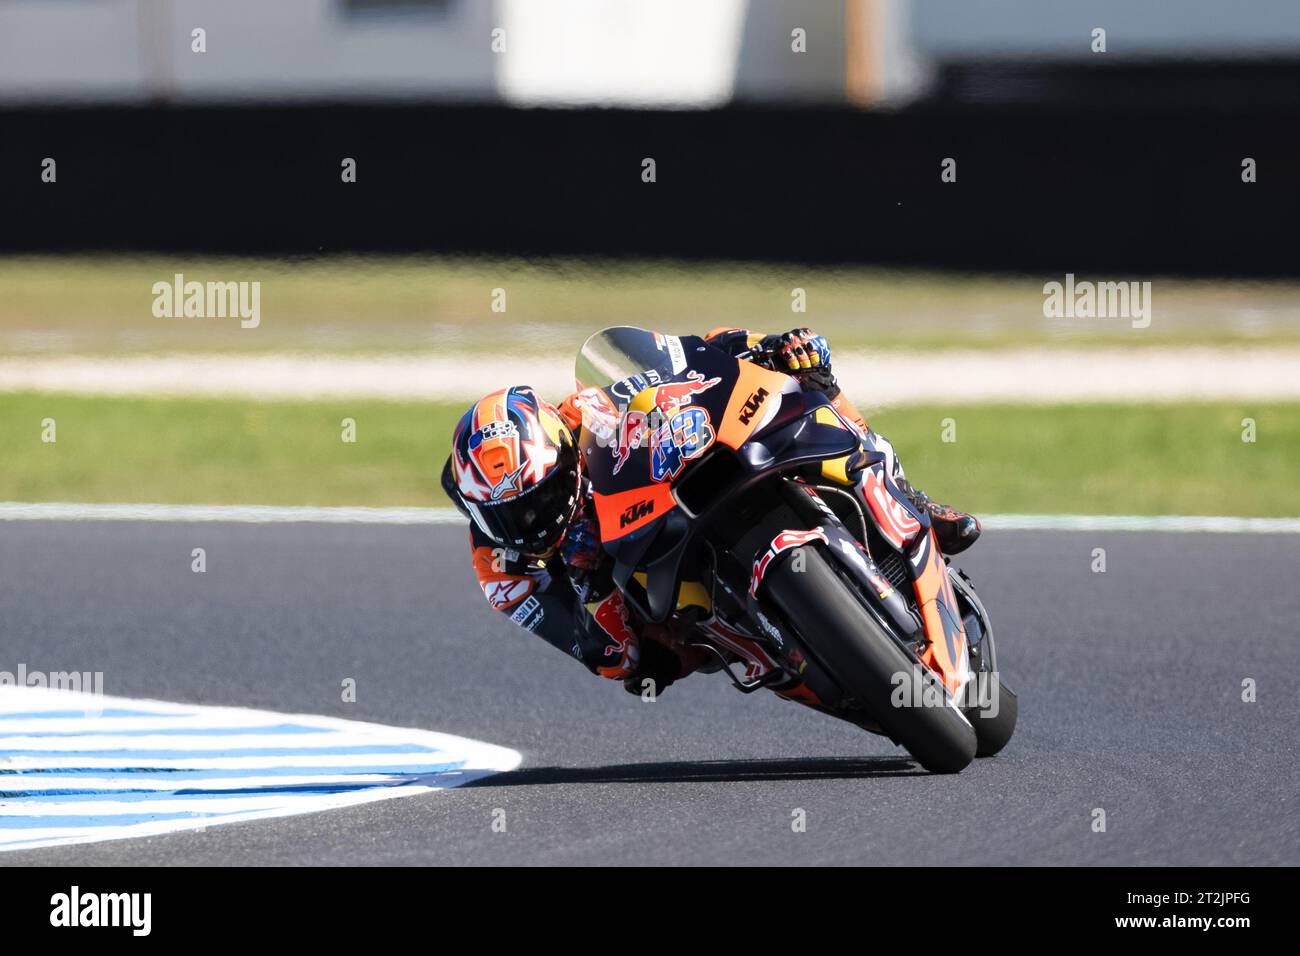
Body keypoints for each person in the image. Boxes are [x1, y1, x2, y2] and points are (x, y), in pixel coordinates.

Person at [440, 328, 980, 696]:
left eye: (540, 498)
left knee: (807, 380)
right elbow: (595, 649)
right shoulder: (501, 570)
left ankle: (914, 500)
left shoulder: (586, 412)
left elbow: (688, 360)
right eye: (513, 515)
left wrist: (764, 349)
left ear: (561, 451)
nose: (533, 521)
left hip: (664, 497)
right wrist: (599, 605)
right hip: (628, 577)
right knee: (648, 658)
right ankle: (766, 646)